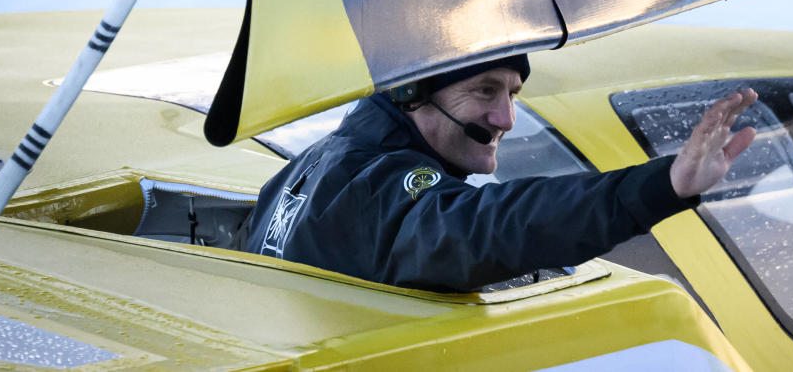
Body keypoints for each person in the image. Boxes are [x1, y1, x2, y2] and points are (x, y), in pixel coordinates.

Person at [242, 54, 758, 291]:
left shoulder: (323, 158)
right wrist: (663, 186)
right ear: (411, 94)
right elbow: (490, 227)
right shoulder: (382, 190)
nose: (506, 119)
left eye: (512, 94)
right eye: (484, 91)